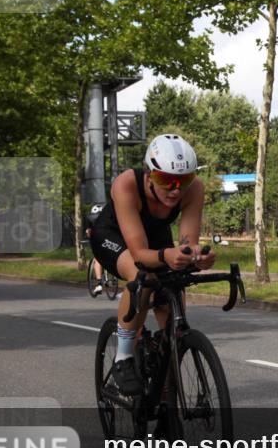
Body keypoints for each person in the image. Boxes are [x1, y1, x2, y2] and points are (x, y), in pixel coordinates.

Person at [91, 134, 215, 395]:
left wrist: (196, 257)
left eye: (184, 180)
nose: (175, 189)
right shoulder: (126, 184)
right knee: (142, 275)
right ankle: (123, 358)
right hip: (113, 236)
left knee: (174, 291)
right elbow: (139, 253)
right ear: (149, 174)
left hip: (156, 236)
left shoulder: (194, 189)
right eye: (165, 180)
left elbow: (187, 242)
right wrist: (165, 257)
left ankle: (166, 396)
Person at [83, 203, 106, 296]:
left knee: (98, 259)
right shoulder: (110, 218)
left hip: (99, 240)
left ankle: (99, 283)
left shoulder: (90, 219)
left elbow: (88, 232)